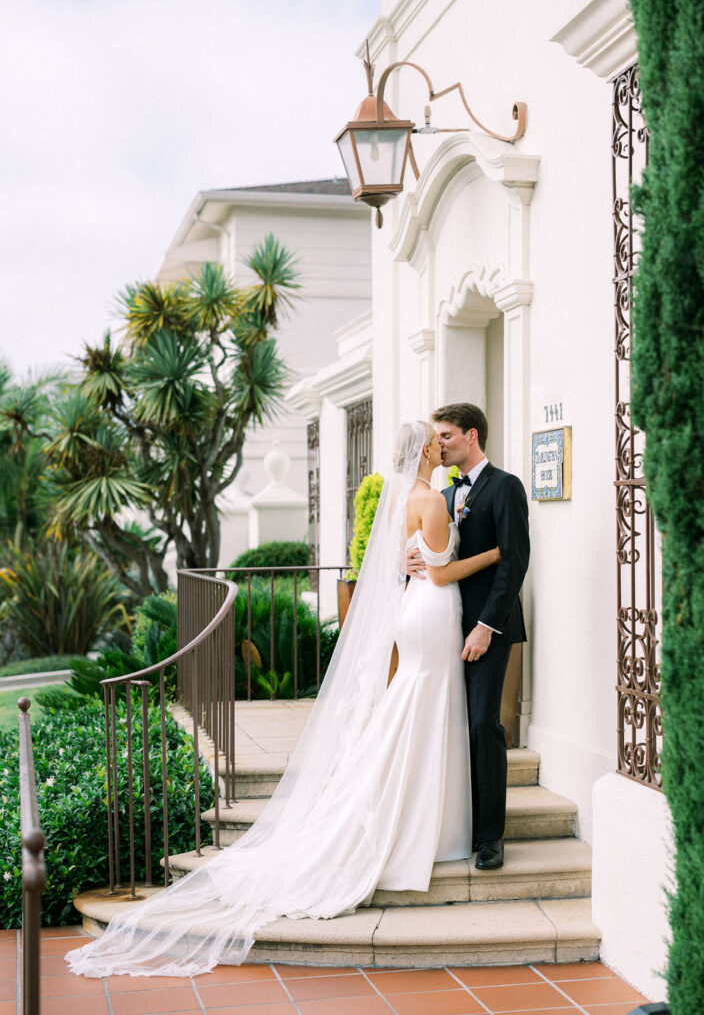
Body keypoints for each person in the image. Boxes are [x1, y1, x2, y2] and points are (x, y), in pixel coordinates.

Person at [66, 421, 501, 978]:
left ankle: (425, 819)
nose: (443, 446)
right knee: (424, 709)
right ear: (423, 450)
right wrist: (489, 557)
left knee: (414, 710)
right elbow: (441, 576)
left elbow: (402, 564)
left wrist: (421, 564)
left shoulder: (404, 499)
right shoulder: (430, 501)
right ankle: (422, 826)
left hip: (416, 614)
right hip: (434, 613)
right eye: (435, 442)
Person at [408, 404, 529, 872]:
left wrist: (486, 625)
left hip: (487, 627)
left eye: (446, 435)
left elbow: (514, 563)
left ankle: (489, 837)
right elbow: (433, 556)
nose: (439, 444)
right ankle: (450, 823)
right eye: (435, 438)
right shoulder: (441, 491)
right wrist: (407, 562)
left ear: (471, 435)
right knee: (449, 726)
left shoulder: (507, 487)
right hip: (443, 625)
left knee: (483, 724)